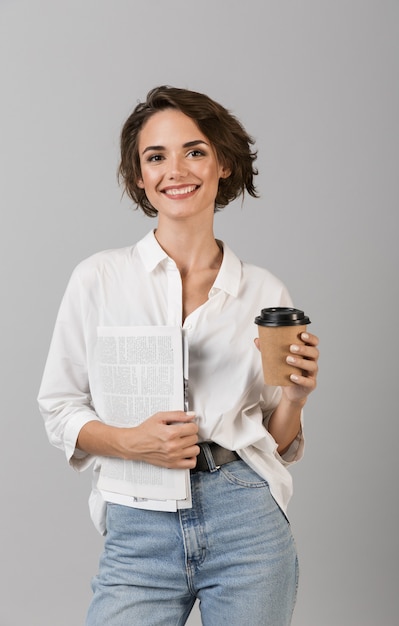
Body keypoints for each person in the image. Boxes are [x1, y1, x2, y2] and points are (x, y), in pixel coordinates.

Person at [38, 85, 319, 626]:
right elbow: (58, 409)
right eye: (156, 157)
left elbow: (274, 442)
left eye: (194, 151)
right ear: (140, 177)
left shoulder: (265, 293)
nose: (176, 170)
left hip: (246, 520)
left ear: (224, 164)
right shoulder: (99, 279)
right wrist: (131, 441)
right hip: (137, 522)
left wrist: (297, 398)